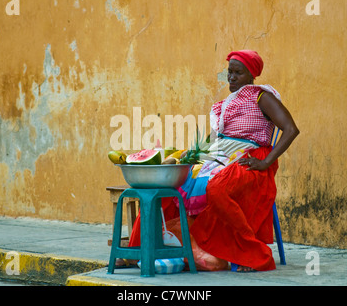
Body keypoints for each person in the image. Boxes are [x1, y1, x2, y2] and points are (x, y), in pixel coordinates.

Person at [127, 50, 299, 272]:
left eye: (239, 73)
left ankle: (249, 252)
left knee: (217, 189)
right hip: (219, 156)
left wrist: (265, 162)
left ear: (251, 76)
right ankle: (137, 249)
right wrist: (186, 157)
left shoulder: (262, 97)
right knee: (166, 183)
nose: (232, 78)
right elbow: (215, 141)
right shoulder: (225, 104)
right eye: (230, 72)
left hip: (251, 158)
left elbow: (291, 129)